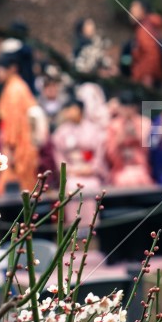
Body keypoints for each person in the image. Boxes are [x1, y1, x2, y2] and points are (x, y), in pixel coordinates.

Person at [52, 98, 107, 233]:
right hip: (72, 171)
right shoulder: (61, 131)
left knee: (92, 186)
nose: (69, 112)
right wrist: (69, 169)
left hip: (90, 171)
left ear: (80, 110)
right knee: (71, 187)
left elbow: (100, 153)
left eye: (72, 109)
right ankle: (73, 229)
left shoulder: (94, 129)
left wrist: (92, 168)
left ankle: (92, 229)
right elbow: (58, 155)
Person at [0, 51, 40, 195]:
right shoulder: (18, 87)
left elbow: (13, 123)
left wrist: (10, 147)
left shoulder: (14, 90)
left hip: (18, 146)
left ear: (12, 68)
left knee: (13, 189)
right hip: (23, 143)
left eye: (1, 68)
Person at [105, 91, 154, 187]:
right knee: (122, 180)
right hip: (121, 168)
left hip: (140, 167)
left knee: (142, 179)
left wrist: (137, 136)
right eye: (124, 107)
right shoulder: (113, 125)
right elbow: (109, 152)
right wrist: (120, 138)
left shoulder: (145, 123)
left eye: (130, 106)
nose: (127, 110)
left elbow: (149, 149)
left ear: (136, 107)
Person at [124, 0, 162, 88]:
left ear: (142, 11)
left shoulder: (144, 31)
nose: (130, 12)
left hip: (147, 81)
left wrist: (138, 76)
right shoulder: (145, 27)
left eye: (134, 9)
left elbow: (151, 55)